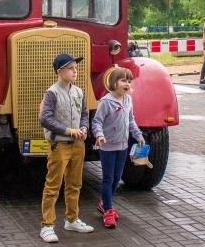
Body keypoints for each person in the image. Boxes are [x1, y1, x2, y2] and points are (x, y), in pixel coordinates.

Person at [38, 54, 94, 243]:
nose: (75, 71)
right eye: (70, 68)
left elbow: (84, 114)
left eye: (75, 68)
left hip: (78, 144)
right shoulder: (52, 93)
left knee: (74, 183)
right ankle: (47, 225)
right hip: (59, 144)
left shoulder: (79, 91)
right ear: (59, 72)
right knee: (53, 185)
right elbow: (45, 119)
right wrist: (69, 130)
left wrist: (84, 128)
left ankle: (72, 219)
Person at [92, 67, 145, 228]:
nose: (127, 84)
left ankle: (104, 203)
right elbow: (97, 122)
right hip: (107, 147)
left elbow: (131, 120)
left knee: (117, 177)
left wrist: (138, 135)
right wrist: (99, 135)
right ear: (113, 83)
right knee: (108, 178)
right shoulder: (106, 102)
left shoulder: (128, 100)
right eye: (123, 80)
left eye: (129, 81)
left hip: (122, 145)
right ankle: (108, 210)